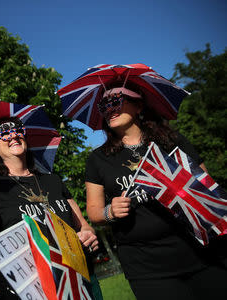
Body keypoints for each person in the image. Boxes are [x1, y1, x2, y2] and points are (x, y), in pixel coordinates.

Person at [85, 82, 227, 300]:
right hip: (147, 267)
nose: (109, 110)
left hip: (200, 253)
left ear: (138, 106)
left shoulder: (172, 141)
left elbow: (208, 189)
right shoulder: (97, 159)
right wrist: (109, 212)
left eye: (115, 102)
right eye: (103, 106)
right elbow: (94, 211)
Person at [0, 116, 100, 299]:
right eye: (4, 134)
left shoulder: (53, 181)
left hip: (79, 279)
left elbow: (83, 225)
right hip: (35, 289)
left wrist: (88, 234)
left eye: (18, 130)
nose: (13, 136)